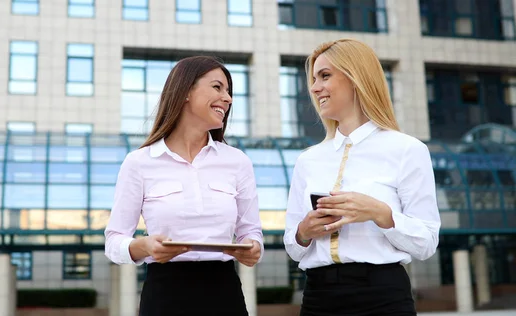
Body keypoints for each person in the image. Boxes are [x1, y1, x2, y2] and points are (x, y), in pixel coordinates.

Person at [284, 39, 441, 316]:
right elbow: (293, 248)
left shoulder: (407, 149)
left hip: (382, 296)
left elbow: (426, 243)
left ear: (356, 77)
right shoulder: (307, 160)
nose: (314, 87)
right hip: (318, 297)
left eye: (325, 75)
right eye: (313, 79)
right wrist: (303, 232)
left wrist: (381, 214)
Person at [104, 56, 263, 316]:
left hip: (224, 293)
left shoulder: (237, 161)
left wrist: (253, 248)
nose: (228, 98)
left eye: (228, 91)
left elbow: (251, 233)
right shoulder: (139, 162)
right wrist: (144, 247)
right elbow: (114, 241)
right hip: (165, 294)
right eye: (217, 87)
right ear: (186, 91)